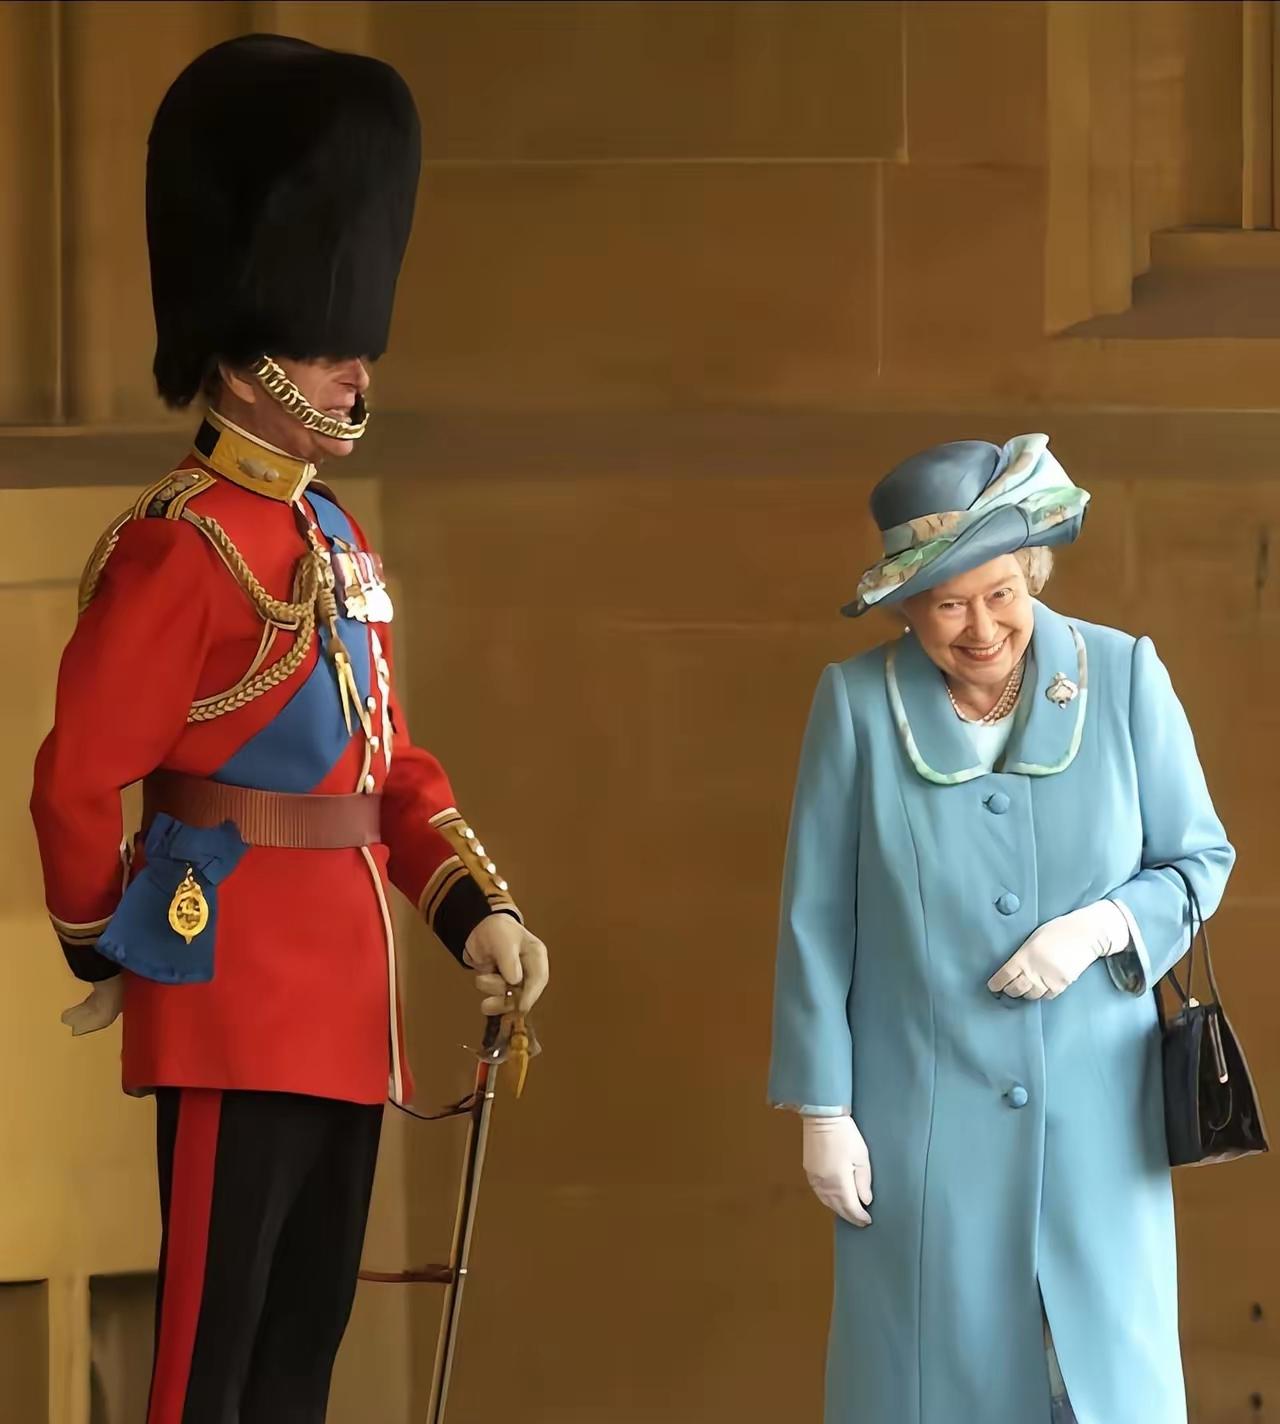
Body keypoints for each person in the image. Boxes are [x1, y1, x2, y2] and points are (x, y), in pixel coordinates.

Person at [30, 35, 549, 1424]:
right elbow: (79, 780)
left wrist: (469, 914)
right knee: (208, 1366)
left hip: (342, 1009)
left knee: (295, 1363)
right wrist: (113, 944)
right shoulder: (181, 550)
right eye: (330, 351)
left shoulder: (331, 532)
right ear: (250, 355)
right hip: (226, 992)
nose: (353, 376)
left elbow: (385, 765)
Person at [769, 434, 1233, 1424]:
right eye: (944, 604)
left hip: (1098, 1121)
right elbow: (816, 916)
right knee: (934, 1386)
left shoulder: (1119, 674)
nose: (978, 628)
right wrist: (821, 1106)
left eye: (998, 593)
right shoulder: (854, 704)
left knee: (1099, 1382)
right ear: (905, 609)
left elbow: (1200, 861)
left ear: (1030, 570)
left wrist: (1102, 924)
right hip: (917, 1123)